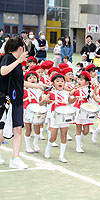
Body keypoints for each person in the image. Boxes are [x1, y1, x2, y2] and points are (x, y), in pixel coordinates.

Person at [0, 37, 43, 169]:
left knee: (18, 129)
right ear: (20, 49)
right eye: (24, 49)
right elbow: (3, 71)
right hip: (5, 100)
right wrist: (18, 60)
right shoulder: (8, 58)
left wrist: (38, 86)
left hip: (17, 100)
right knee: (1, 129)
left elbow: (20, 82)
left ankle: (15, 158)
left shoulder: (19, 64)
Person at [44, 73, 76, 163]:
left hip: (65, 115)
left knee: (64, 136)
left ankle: (61, 156)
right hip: (55, 116)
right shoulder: (51, 93)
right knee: (53, 137)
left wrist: (74, 98)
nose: (60, 83)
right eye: (57, 81)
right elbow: (42, 103)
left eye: (62, 81)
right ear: (53, 83)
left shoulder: (66, 93)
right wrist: (45, 100)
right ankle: (48, 149)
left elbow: (70, 101)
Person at [70, 71, 93, 153]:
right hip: (78, 109)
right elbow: (70, 96)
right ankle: (78, 146)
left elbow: (96, 99)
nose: (79, 81)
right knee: (78, 128)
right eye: (79, 79)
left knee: (86, 130)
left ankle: (79, 140)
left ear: (87, 82)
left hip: (86, 111)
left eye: (82, 80)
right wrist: (74, 90)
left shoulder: (90, 90)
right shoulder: (76, 90)